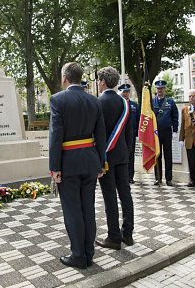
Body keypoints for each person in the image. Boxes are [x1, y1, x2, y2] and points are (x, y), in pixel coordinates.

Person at [49, 62, 106, 269]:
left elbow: (56, 136)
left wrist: (54, 167)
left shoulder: (57, 99)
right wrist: (101, 163)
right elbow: (101, 135)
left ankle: (78, 256)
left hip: (68, 162)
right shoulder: (94, 100)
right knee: (88, 209)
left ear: (65, 77)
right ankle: (89, 253)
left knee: (73, 211)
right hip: (90, 161)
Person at [95, 68, 134, 250]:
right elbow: (129, 134)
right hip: (123, 156)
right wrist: (127, 155)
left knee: (110, 197)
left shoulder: (98, 103)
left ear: (102, 81)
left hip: (106, 158)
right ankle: (128, 233)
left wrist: (98, 160)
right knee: (125, 194)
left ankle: (113, 237)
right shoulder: (125, 103)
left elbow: (98, 134)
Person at [152, 80, 179, 186]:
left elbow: (175, 117)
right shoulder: (152, 102)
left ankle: (169, 179)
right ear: (156, 90)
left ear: (164, 89)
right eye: (158, 89)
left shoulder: (170, 102)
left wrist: (175, 131)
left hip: (167, 131)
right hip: (156, 132)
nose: (160, 90)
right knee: (157, 156)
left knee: (168, 156)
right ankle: (157, 178)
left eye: (162, 88)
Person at [118, 83, 140, 184]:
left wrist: (137, 134)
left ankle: (130, 176)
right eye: (124, 92)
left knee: (131, 156)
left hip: (131, 134)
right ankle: (121, 176)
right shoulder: (118, 104)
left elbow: (138, 120)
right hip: (119, 135)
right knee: (121, 155)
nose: (126, 93)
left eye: (127, 91)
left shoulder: (134, 105)